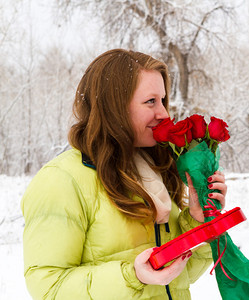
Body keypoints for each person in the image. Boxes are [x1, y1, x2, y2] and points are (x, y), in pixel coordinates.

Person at [21, 49, 227, 299]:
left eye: (163, 100)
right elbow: (47, 287)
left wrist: (198, 218)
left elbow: (177, 280)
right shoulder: (62, 180)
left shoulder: (154, 173)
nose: (163, 113)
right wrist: (132, 276)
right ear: (114, 108)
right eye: (150, 101)